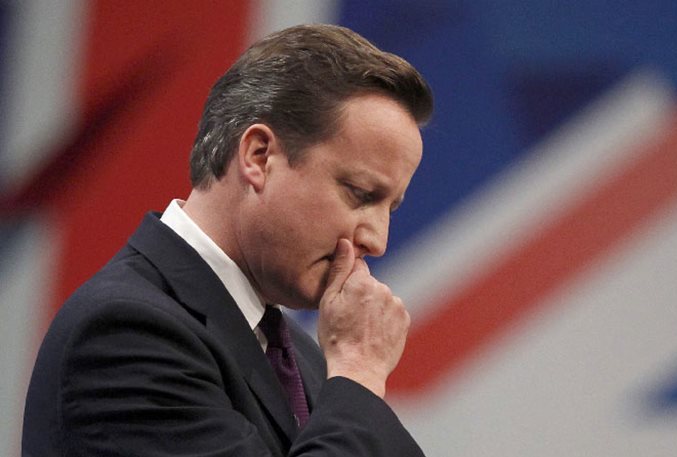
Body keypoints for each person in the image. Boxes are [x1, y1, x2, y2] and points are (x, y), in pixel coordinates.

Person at [22, 23, 433, 456]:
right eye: (360, 194)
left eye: (390, 208)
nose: (377, 240)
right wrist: (360, 372)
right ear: (259, 156)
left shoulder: (308, 361)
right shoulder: (123, 335)